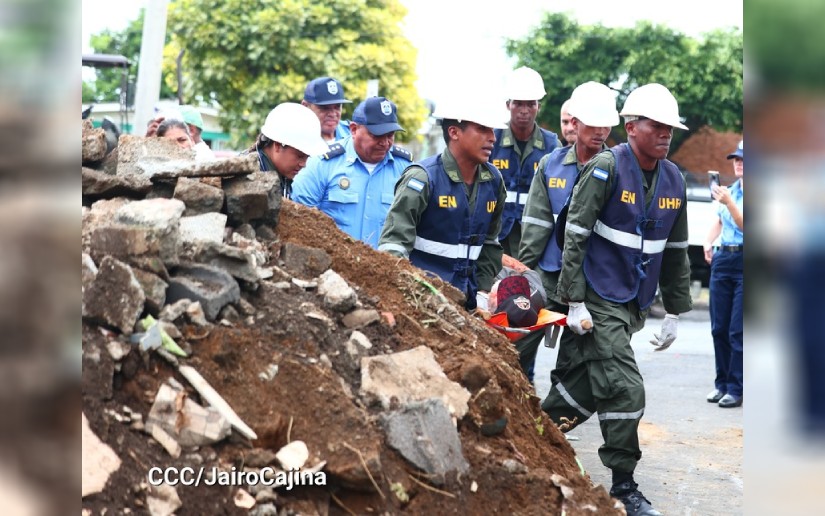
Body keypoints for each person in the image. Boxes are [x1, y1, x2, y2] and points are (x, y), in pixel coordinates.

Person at [541, 83, 692, 516]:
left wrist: (675, 310)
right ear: (631, 126)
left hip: (632, 303)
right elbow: (575, 235)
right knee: (627, 389)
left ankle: (532, 432)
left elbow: (677, 250)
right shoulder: (607, 167)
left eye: (670, 127)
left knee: (592, 385)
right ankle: (624, 486)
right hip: (596, 296)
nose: (665, 133)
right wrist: (573, 301)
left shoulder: (675, 178)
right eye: (656, 125)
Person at [516, 81, 619, 384]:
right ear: (574, 123)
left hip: (592, 283)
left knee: (574, 361)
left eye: (606, 125)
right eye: (594, 124)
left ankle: (555, 422)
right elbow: (535, 225)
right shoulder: (551, 164)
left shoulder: (618, 168)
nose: (601, 131)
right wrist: (523, 275)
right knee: (517, 344)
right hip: (549, 274)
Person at [377, 96, 508, 310]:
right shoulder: (422, 178)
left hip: (470, 302)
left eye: (492, 130)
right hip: (423, 300)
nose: (492, 137)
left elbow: (490, 243)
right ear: (454, 132)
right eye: (483, 129)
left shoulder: (493, 182)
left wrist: (483, 291)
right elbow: (394, 245)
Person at [291, 97, 412, 248]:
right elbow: (299, 219)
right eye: (377, 135)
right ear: (354, 129)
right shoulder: (322, 163)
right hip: (332, 265)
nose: (385, 142)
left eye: (390, 135)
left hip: (385, 266)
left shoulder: (405, 169)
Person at [490, 66, 560, 257]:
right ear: (507, 105)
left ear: (538, 107)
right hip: (496, 234)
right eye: (518, 103)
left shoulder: (552, 144)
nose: (524, 111)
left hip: (536, 236)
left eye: (530, 104)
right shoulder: (492, 140)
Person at [704, 140, 744, 408]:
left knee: (737, 330)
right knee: (719, 328)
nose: (739, 163)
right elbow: (719, 220)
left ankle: (736, 388)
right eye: (736, 159)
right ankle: (721, 384)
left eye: (744, 159)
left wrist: (729, 202)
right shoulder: (729, 192)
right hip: (723, 259)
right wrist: (708, 242)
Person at [244, 103, 329, 198]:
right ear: (277, 145)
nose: (303, 164)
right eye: (300, 156)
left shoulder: (280, 175)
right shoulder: (248, 176)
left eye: (307, 157)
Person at [301, 76, 353, 144]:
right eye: (324, 107)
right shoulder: (294, 139)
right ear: (305, 106)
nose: (332, 114)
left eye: (337, 107)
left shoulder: (352, 132)